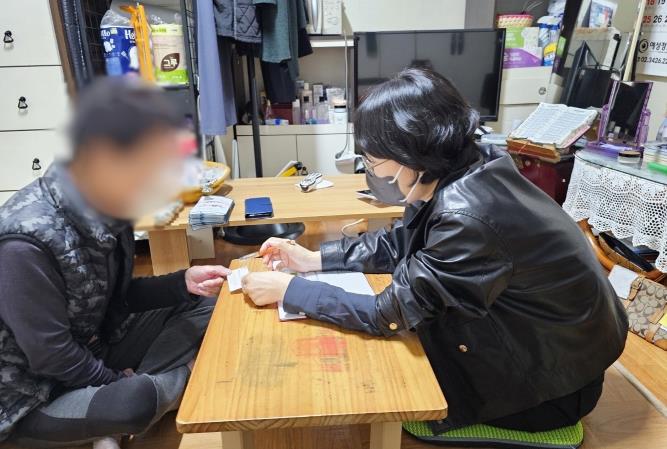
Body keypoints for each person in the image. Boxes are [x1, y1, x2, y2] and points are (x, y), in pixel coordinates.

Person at [241, 68, 628, 437]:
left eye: (373, 160)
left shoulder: (468, 217)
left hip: (551, 390)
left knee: (376, 372)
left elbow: (387, 314)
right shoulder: (462, 168)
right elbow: (401, 242)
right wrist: (313, 259)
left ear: (408, 153)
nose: (371, 169)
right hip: (553, 351)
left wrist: (290, 290)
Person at [0, 78, 230, 448]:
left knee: (207, 303)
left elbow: (116, 296)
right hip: (31, 394)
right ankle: (172, 384)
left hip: (96, 345)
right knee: (132, 402)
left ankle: (126, 407)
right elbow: (51, 356)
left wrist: (183, 282)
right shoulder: (24, 244)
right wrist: (114, 384)